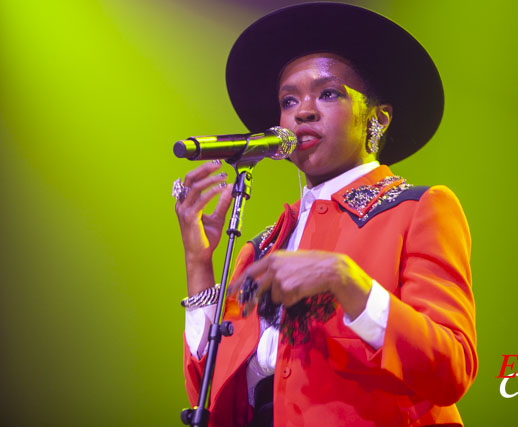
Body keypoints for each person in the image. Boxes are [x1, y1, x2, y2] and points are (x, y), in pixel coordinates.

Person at [173, 3, 477, 426]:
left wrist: (346, 280)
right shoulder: (263, 249)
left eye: (328, 93)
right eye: (288, 100)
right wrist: (199, 265)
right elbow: (207, 390)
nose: (303, 111)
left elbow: (451, 367)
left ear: (378, 119)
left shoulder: (418, 209)